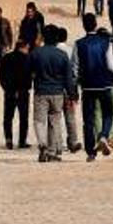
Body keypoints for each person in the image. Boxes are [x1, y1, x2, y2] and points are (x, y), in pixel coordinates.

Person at [73, 12, 113, 161]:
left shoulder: (78, 43)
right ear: (95, 24)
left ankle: (90, 153)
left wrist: (75, 86)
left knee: (88, 119)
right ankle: (104, 136)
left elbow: (74, 68)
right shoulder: (106, 42)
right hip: (104, 84)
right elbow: (111, 66)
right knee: (108, 113)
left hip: (87, 86)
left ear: (84, 26)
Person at [29, 24, 76, 162]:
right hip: (57, 93)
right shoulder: (62, 55)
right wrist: (72, 94)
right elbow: (68, 78)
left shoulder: (36, 53)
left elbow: (28, 72)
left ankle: (42, 144)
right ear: (56, 38)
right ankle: (52, 151)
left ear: (43, 37)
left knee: (39, 121)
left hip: (41, 92)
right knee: (54, 121)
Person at [53, 26, 83, 154]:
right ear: (65, 37)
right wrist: (74, 92)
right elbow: (75, 72)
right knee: (70, 117)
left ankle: (57, 144)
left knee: (55, 118)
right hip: (69, 89)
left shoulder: (53, 51)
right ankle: (73, 141)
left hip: (56, 89)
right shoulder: (71, 51)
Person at [0, 39, 31, 149]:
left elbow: (1, 75)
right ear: (24, 47)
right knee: (23, 117)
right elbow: (30, 75)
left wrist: (5, 88)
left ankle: (8, 140)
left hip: (9, 91)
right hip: (23, 92)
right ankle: (22, 141)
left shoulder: (6, 58)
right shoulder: (27, 59)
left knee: (8, 117)